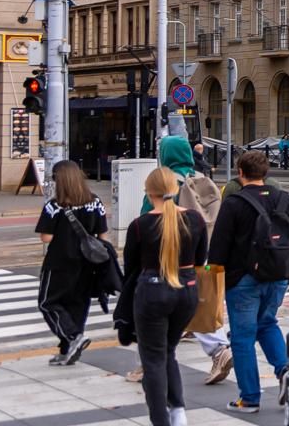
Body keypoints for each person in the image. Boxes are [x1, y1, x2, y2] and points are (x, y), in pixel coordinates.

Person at [208, 149, 289, 412]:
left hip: (243, 280)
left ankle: (249, 398)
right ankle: (286, 373)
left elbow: (218, 249)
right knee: (267, 323)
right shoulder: (286, 200)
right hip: (279, 277)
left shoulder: (234, 203)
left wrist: (213, 282)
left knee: (242, 337)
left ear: (240, 173)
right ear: (265, 172)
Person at [117, 167, 209, 426]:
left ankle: (162, 420)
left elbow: (131, 267)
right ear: (177, 189)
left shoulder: (139, 225)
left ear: (148, 192)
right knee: (168, 350)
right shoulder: (195, 220)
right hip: (187, 290)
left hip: (152, 290)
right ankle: (178, 411)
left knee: (154, 358)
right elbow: (200, 259)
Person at [151, 135, 235, 385]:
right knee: (195, 300)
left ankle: (218, 350)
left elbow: (149, 218)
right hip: (201, 250)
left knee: (156, 306)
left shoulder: (165, 182)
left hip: (171, 254)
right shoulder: (202, 177)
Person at [36, 159, 113, 365]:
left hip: (59, 263)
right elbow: (103, 233)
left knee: (47, 303)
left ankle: (72, 338)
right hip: (87, 263)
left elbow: (46, 237)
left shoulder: (54, 206)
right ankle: (66, 350)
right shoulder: (95, 201)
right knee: (78, 305)